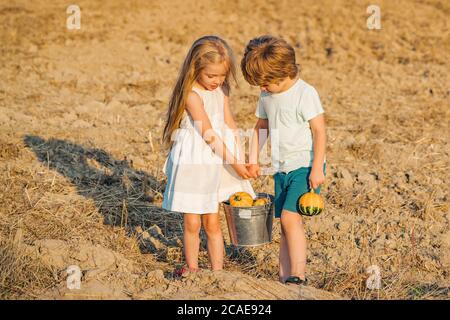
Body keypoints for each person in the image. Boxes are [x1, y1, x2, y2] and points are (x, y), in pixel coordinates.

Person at [162, 35, 255, 275]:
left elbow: (229, 121)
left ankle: (217, 272)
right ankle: (192, 268)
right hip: (194, 163)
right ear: (196, 68)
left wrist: (241, 154)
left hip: (214, 160)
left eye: (222, 75)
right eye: (211, 76)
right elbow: (208, 134)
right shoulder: (192, 95)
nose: (217, 81)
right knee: (192, 221)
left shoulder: (222, 89)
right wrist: (233, 162)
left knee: (212, 222)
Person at [241, 35, 326, 285]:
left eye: (265, 83)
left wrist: (317, 168)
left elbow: (319, 131)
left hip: (304, 167)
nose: (262, 88)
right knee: (285, 224)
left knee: (291, 218)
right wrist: (253, 159)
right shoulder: (267, 96)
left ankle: (298, 274)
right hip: (280, 168)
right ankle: (284, 278)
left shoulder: (305, 93)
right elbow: (260, 127)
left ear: (283, 73)